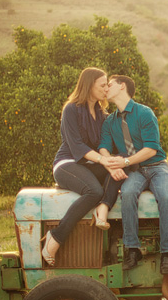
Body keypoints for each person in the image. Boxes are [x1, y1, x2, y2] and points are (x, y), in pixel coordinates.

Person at [42, 68, 125, 266]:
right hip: (67, 164)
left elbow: (109, 144)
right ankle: (55, 238)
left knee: (121, 170)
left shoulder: (102, 114)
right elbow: (76, 146)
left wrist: (117, 160)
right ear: (89, 86)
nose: (106, 89)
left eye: (107, 85)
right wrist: (104, 161)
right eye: (102, 85)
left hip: (88, 165)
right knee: (93, 191)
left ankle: (103, 209)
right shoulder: (71, 109)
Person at [99, 75, 168, 275]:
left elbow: (151, 149)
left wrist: (124, 161)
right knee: (127, 193)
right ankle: (132, 250)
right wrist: (110, 163)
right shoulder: (110, 121)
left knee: (167, 197)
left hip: (157, 166)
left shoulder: (144, 113)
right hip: (135, 171)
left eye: (110, 84)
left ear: (122, 86)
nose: (106, 88)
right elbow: (104, 148)